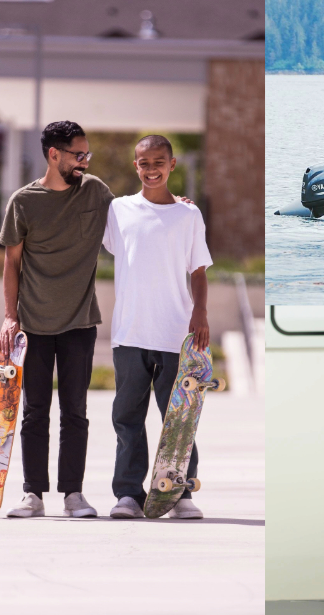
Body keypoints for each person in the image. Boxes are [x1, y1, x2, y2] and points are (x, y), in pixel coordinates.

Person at [0, 121, 109, 518]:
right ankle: (33, 494)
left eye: (87, 155)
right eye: (78, 155)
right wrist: (10, 318)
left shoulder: (95, 191)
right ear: (54, 154)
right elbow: (11, 262)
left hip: (80, 322)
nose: (84, 162)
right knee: (34, 412)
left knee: (75, 411)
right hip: (33, 324)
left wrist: (171, 201)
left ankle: (73, 494)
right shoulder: (23, 202)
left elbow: (133, 217)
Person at [103, 135, 213, 520]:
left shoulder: (188, 215)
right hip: (130, 331)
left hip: (175, 333)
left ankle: (181, 492)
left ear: (172, 164)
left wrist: (200, 312)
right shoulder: (117, 210)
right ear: (136, 166)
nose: (152, 170)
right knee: (128, 417)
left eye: (159, 162)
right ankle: (129, 495)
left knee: (180, 418)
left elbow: (198, 271)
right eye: (144, 163)